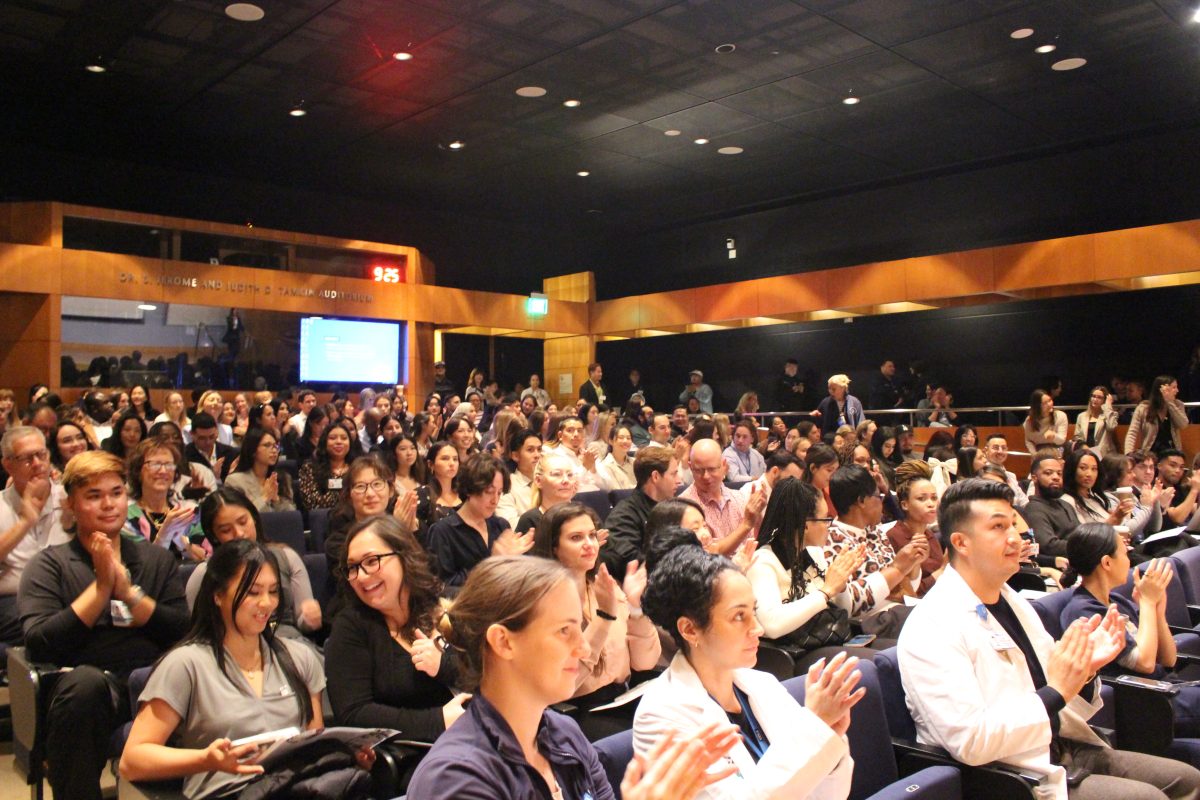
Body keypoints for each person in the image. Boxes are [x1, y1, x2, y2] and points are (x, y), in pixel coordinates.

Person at [899, 479, 1200, 800]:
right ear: (961, 542)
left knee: (1187, 778)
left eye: (1013, 523)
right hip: (1012, 775)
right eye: (998, 527)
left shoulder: (1012, 601)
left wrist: (1085, 672)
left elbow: (1060, 689)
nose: (1015, 538)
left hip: (1064, 747)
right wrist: (1057, 690)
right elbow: (971, 743)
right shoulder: (931, 627)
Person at [19, 450, 189, 800]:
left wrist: (128, 593)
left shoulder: (155, 559)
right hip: (86, 689)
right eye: (93, 496)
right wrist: (101, 588)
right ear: (71, 505)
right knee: (86, 684)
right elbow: (39, 642)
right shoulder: (49, 565)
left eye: (116, 493)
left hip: (152, 685)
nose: (108, 504)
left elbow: (180, 629)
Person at [635, 545, 858, 799]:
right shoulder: (660, 716)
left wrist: (829, 738)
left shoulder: (763, 684)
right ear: (689, 629)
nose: (758, 629)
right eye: (739, 616)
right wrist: (814, 729)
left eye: (753, 611)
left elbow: (829, 795)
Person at [119, 539, 335, 800]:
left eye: (274, 591)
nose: (267, 603)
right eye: (253, 592)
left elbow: (313, 745)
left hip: (295, 789)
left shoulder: (299, 657)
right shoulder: (185, 664)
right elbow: (132, 760)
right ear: (218, 595)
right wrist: (206, 760)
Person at [326, 515, 467, 775]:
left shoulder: (448, 603)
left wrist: (443, 665)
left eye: (371, 561)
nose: (361, 576)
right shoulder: (351, 627)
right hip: (418, 761)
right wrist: (437, 721)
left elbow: (491, 673)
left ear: (404, 556)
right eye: (353, 567)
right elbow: (354, 713)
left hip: (476, 741)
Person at [533, 502, 660, 739]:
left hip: (624, 698)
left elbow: (645, 663)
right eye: (576, 537)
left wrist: (635, 608)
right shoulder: (541, 603)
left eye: (592, 535)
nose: (589, 544)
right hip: (578, 711)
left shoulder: (603, 587)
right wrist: (604, 617)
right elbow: (562, 685)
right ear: (553, 547)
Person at [1060, 525, 1200, 734]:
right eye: (1124, 553)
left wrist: (1156, 610)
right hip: (1145, 705)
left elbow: (1169, 659)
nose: (1130, 558)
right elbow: (1144, 663)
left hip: (1170, 690)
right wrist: (1146, 603)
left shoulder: (1115, 600)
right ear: (1107, 562)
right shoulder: (1084, 611)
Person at [749, 478, 870, 665]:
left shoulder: (813, 553)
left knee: (887, 652)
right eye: (825, 519)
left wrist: (840, 583)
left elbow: (844, 610)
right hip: (793, 654)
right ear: (805, 524)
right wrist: (825, 592)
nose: (830, 526)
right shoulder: (763, 563)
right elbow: (771, 625)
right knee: (870, 665)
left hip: (827, 639)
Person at [189, 488, 321, 638]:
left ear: (254, 518)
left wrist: (309, 618)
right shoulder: (205, 574)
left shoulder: (286, 557)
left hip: (285, 640)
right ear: (214, 536)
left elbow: (302, 621)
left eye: (243, 522)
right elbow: (196, 632)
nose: (239, 533)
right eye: (226, 530)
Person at [0, 426, 68, 645]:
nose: (38, 464)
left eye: (41, 454)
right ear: (8, 465)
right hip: (14, 601)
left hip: (67, 596)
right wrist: (25, 521)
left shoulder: (70, 500)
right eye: (27, 459)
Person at [426, 453, 533, 588]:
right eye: (489, 491)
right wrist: (492, 563)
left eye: (499, 493)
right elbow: (443, 587)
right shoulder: (443, 531)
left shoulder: (500, 525)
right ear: (470, 489)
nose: (495, 500)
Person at [599, 447, 682, 577]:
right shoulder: (624, 515)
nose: (679, 480)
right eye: (673, 474)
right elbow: (629, 559)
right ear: (655, 476)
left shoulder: (675, 507)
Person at [125, 438, 206, 560]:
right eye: (155, 464)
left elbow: (205, 557)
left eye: (169, 465)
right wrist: (165, 535)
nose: (163, 471)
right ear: (138, 470)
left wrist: (181, 541)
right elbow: (141, 565)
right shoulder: (126, 516)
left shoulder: (189, 511)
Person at [681, 439, 765, 555]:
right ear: (690, 467)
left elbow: (758, 541)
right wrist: (746, 524)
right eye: (699, 470)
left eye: (711, 469)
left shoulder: (739, 497)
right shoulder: (685, 507)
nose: (705, 476)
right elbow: (706, 555)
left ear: (724, 465)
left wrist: (757, 515)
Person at [885, 460, 945, 597]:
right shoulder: (894, 536)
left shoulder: (929, 534)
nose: (931, 504)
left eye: (934, 498)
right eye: (922, 499)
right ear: (905, 504)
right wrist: (941, 571)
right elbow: (907, 592)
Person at [1019, 453, 1076, 568]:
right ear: (1034, 478)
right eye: (1048, 473)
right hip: (1060, 568)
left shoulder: (1066, 504)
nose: (1056, 477)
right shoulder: (1034, 508)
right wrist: (1088, 544)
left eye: (1059, 473)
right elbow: (1049, 546)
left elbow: (1081, 533)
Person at [224, 427, 296, 512]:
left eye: (275, 446)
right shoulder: (235, 481)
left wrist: (276, 500)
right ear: (253, 450)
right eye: (267, 445)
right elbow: (241, 516)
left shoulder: (282, 478)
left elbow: (292, 516)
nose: (274, 450)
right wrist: (264, 497)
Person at [1062, 449, 1137, 528]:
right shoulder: (1067, 501)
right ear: (1072, 470)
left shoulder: (1098, 498)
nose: (1089, 474)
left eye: (1094, 469)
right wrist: (1116, 517)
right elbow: (1083, 536)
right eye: (1083, 468)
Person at [514, 450, 580, 537]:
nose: (566, 480)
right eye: (557, 474)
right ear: (538, 481)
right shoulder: (530, 521)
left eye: (570, 475)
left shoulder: (583, 515)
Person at [297, 421, 356, 512]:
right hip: (323, 520)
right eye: (333, 438)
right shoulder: (309, 468)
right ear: (324, 442)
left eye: (344, 438)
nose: (339, 442)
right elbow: (312, 503)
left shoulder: (357, 467)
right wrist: (346, 496)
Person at [1126, 375, 1190, 455]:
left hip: (1172, 453)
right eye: (1174, 387)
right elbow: (1132, 433)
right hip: (1149, 454)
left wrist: (1169, 402)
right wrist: (1128, 453)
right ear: (1162, 390)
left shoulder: (1178, 405)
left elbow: (1183, 424)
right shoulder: (1144, 408)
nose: (1177, 390)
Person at [496, 429, 541, 528]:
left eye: (539, 449)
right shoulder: (507, 485)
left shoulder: (550, 480)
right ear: (516, 456)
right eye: (530, 450)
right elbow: (510, 525)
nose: (537, 455)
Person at [184, 412, 236, 484]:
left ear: (217, 432)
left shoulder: (230, 453)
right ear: (192, 434)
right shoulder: (184, 456)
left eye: (211, 437)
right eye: (202, 438)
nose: (208, 442)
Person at [1075, 386, 1120, 457]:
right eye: (1093, 396)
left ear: (1104, 400)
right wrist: (1083, 446)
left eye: (1099, 397)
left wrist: (1108, 406)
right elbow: (1077, 437)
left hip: (1104, 455)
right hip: (1086, 453)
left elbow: (1111, 427)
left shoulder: (1110, 415)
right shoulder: (1082, 416)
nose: (1095, 399)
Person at [1024, 388, 1069, 457]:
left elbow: (1062, 440)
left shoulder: (1061, 416)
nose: (1049, 404)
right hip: (1039, 452)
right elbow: (1028, 441)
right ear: (1037, 406)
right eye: (1045, 403)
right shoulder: (1030, 420)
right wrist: (1035, 455)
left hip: (1058, 450)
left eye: (1050, 400)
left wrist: (1054, 436)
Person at [598, 423, 637, 491]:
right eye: (621, 438)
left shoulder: (636, 462)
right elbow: (616, 492)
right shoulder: (605, 465)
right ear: (611, 441)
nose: (625, 441)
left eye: (628, 438)